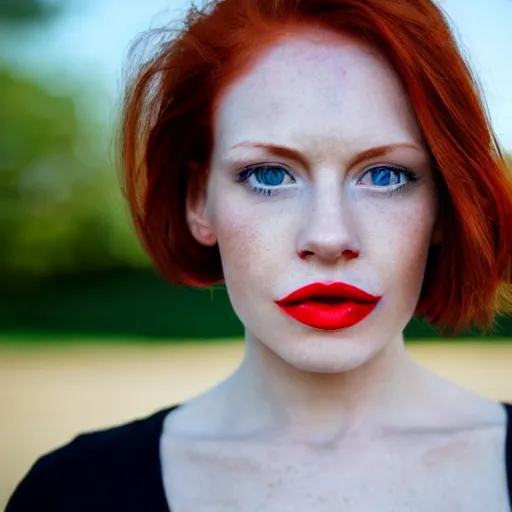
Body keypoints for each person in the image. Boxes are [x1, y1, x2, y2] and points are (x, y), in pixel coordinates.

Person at [7, 0, 512, 510]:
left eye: (386, 176)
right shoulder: (71, 494)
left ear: (446, 206)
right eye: (269, 175)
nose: (330, 237)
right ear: (198, 200)